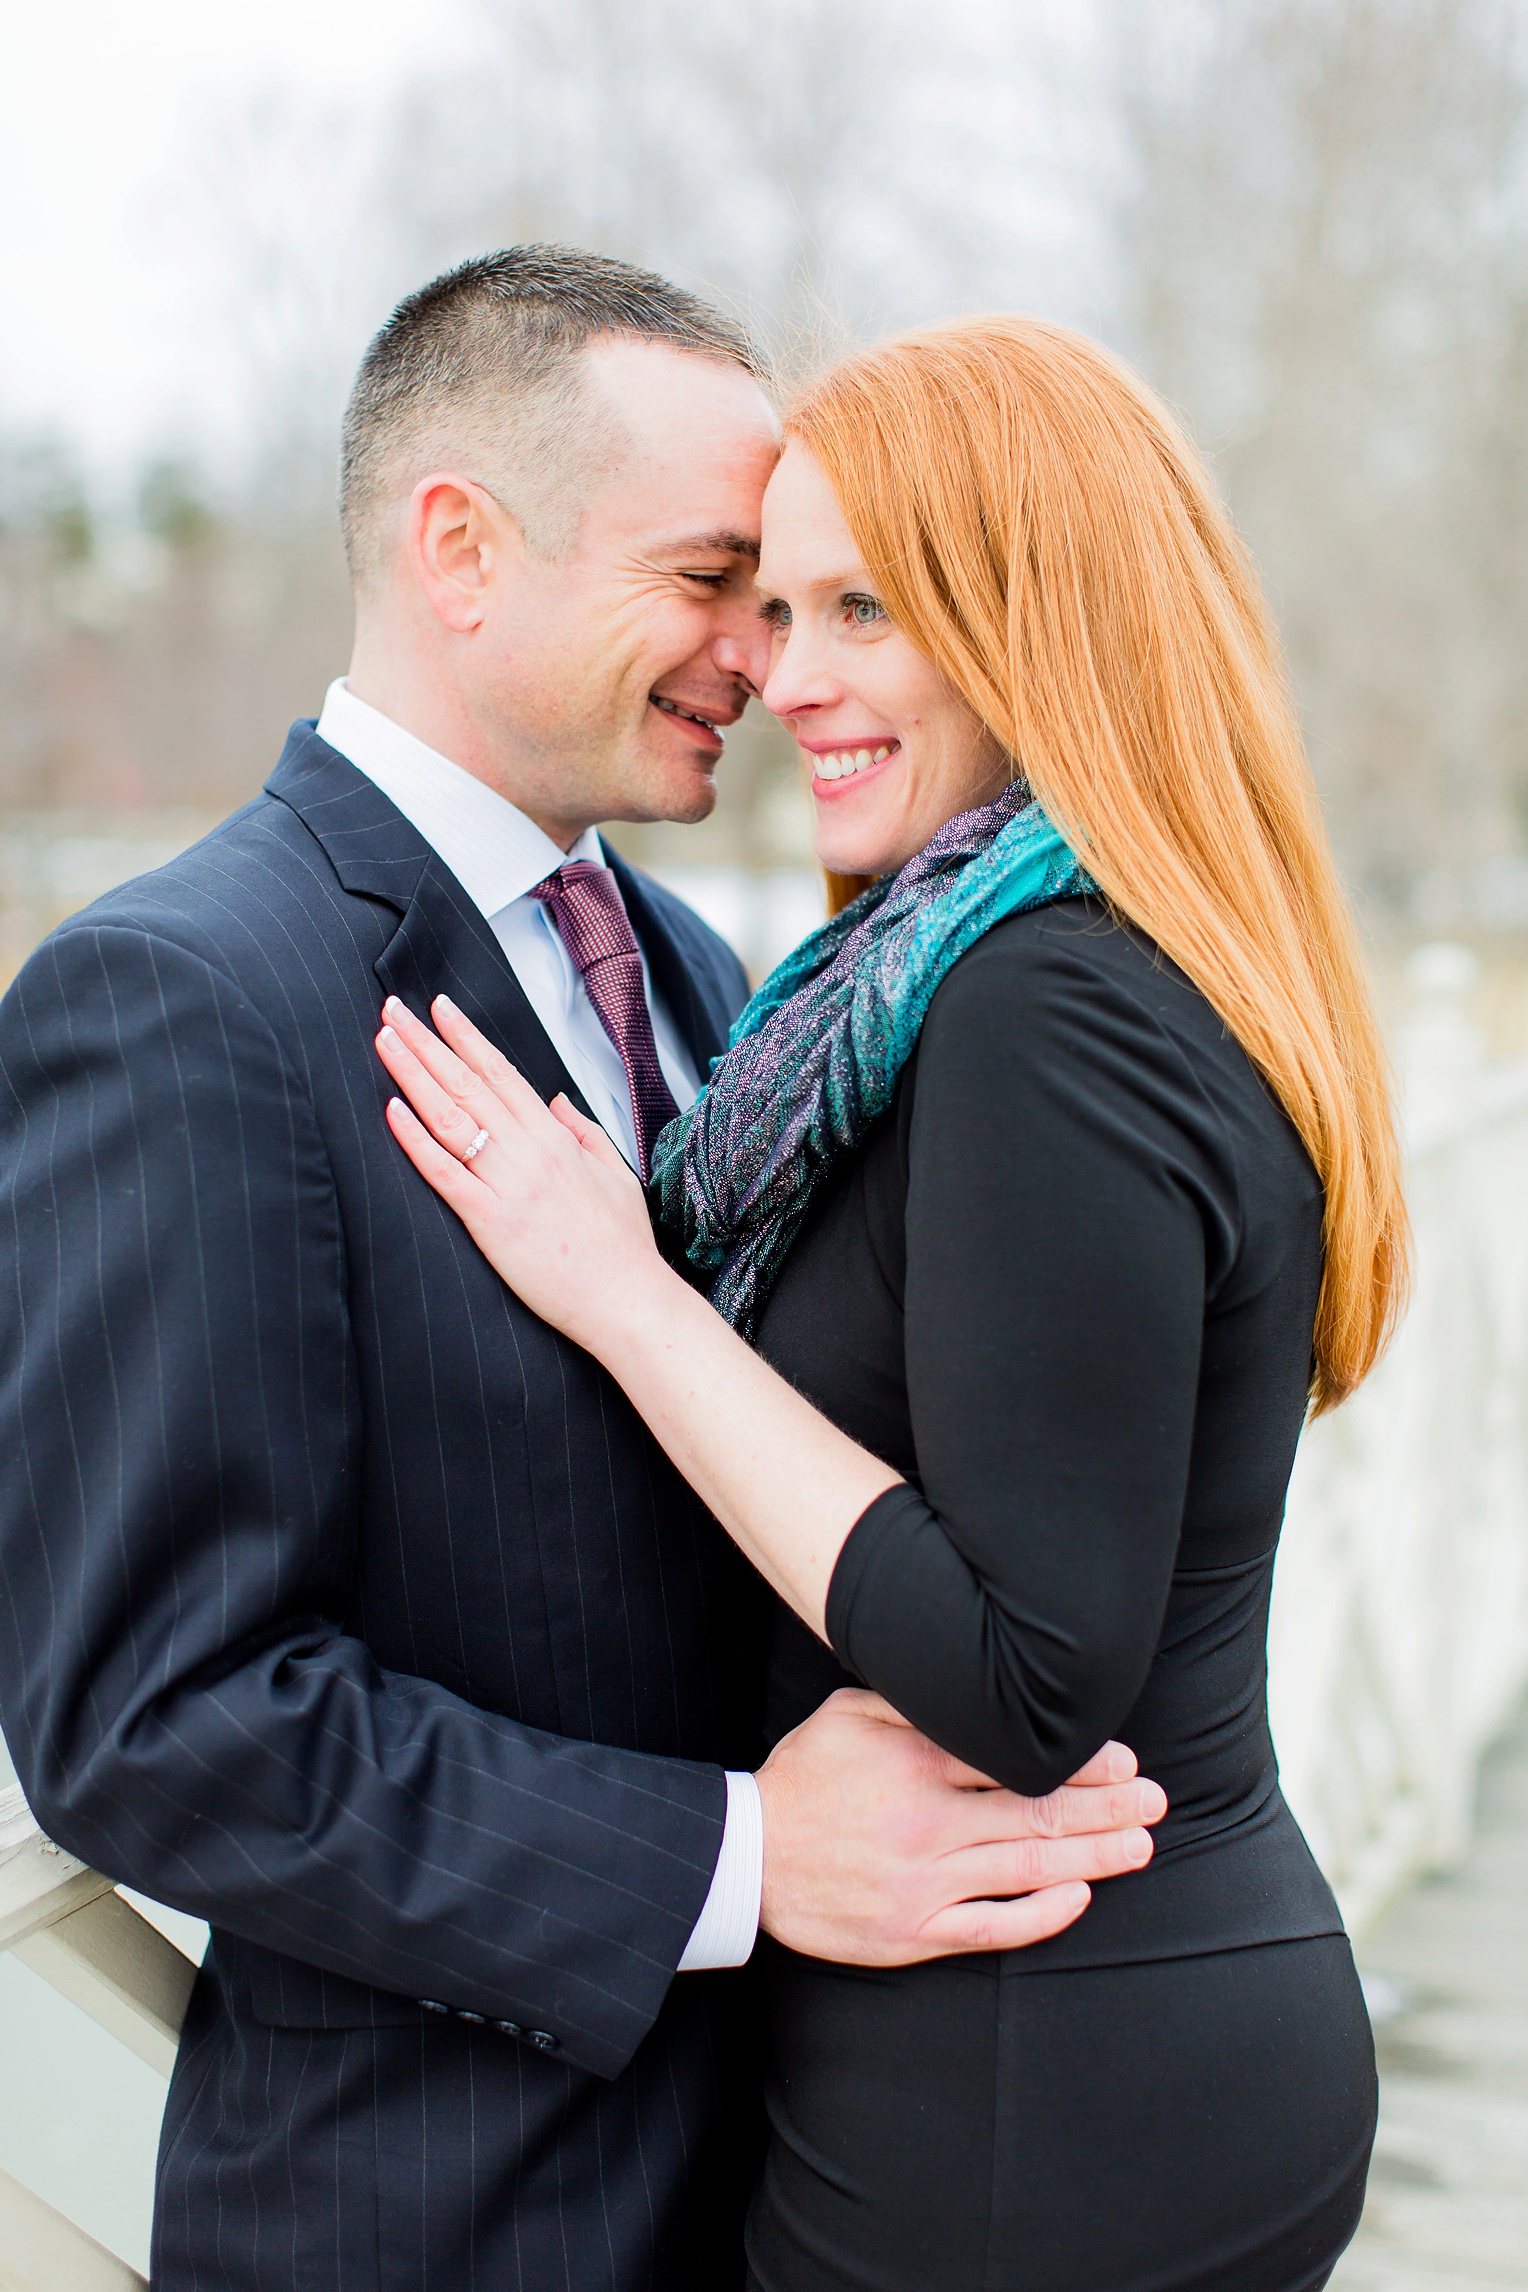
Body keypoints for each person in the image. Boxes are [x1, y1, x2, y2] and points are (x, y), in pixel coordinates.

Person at [0, 255, 1163, 2291]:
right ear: (459, 548)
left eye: (799, 597)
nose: (765, 656)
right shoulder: (183, 996)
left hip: (800, 2179)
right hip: (450, 2215)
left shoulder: (714, 978)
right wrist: (739, 1857)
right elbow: (154, 1719)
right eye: (716, 575)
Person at [377, 313, 1409, 2291]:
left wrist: (625, 1297)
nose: (786, 675)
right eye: (771, 606)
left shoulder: (1045, 1007)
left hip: (1041, 2102)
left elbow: (1031, 1676)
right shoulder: (1015, 970)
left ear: (1038, 625)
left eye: (869, 608)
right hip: (1085, 2046)